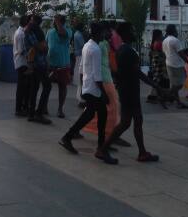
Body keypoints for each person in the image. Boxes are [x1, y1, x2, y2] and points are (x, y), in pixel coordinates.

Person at [96, 22, 161, 165]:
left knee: (135, 120)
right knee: (127, 122)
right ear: (125, 33)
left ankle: (142, 152)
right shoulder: (128, 52)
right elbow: (137, 72)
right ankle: (103, 149)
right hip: (130, 91)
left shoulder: (121, 50)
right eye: (131, 30)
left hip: (127, 90)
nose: (134, 32)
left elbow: (121, 72)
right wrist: (155, 84)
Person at [59, 21, 109, 155]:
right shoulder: (96, 49)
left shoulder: (87, 46)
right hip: (94, 89)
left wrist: (82, 86)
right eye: (104, 32)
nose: (106, 34)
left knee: (91, 114)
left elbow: (81, 68)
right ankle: (100, 148)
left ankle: (69, 137)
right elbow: (97, 75)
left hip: (88, 87)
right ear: (99, 33)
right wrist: (104, 93)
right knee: (100, 114)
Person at [26, 14, 51, 124]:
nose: (30, 22)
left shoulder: (35, 31)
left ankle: (32, 113)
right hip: (37, 63)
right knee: (47, 86)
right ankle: (38, 113)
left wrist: (44, 47)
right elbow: (39, 46)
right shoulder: (30, 32)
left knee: (35, 88)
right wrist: (44, 47)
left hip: (39, 62)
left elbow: (44, 46)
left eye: (32, 20)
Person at [47, 14, 72, 118]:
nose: (53, 22)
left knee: (62, 87)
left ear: (61, 22)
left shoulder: (68, 31)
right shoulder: (50, 32)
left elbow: (62, 34)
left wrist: (57, 22)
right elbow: (47, 43)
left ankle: (60, 109)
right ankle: (44, 107)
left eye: (56, 21)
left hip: (62, 64)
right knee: (46, 86)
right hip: (50, 64)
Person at [163, 24, 188, 109]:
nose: (177, 32)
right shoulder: (175, 40)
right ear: (174, 31)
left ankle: (178, 103)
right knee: (179, 84)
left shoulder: (165, 40)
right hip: (176, 65)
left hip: (169, 64)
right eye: (176, 30)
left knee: (174, 84)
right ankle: (165, 96)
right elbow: (181, 54)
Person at [13, 16, 30, 115]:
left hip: (22, 62)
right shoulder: (20, 34)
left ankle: (22, 107)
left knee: (24, 86)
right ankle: (19, 109)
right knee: (21, 87)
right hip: (22, 62)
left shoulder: (21, 32)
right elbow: (21, 50)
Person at [147, 29, 167, 104]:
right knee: (158, 79)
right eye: (161, 34)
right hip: (159, 62)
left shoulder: (154, 43)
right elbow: (162, 53)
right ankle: (153, 96)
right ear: (158, 35)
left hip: (156, 62)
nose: (162, 36)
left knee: (157, 78)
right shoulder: (158, 43)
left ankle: (155, 96)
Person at [71, 19, 86, 106]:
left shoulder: (77, 34)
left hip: (78, 54)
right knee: (81, 75)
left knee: (80, 75)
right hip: (80, 55)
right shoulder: (78, 35)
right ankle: (81, 98)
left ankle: (80, 97)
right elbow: (83, 45)